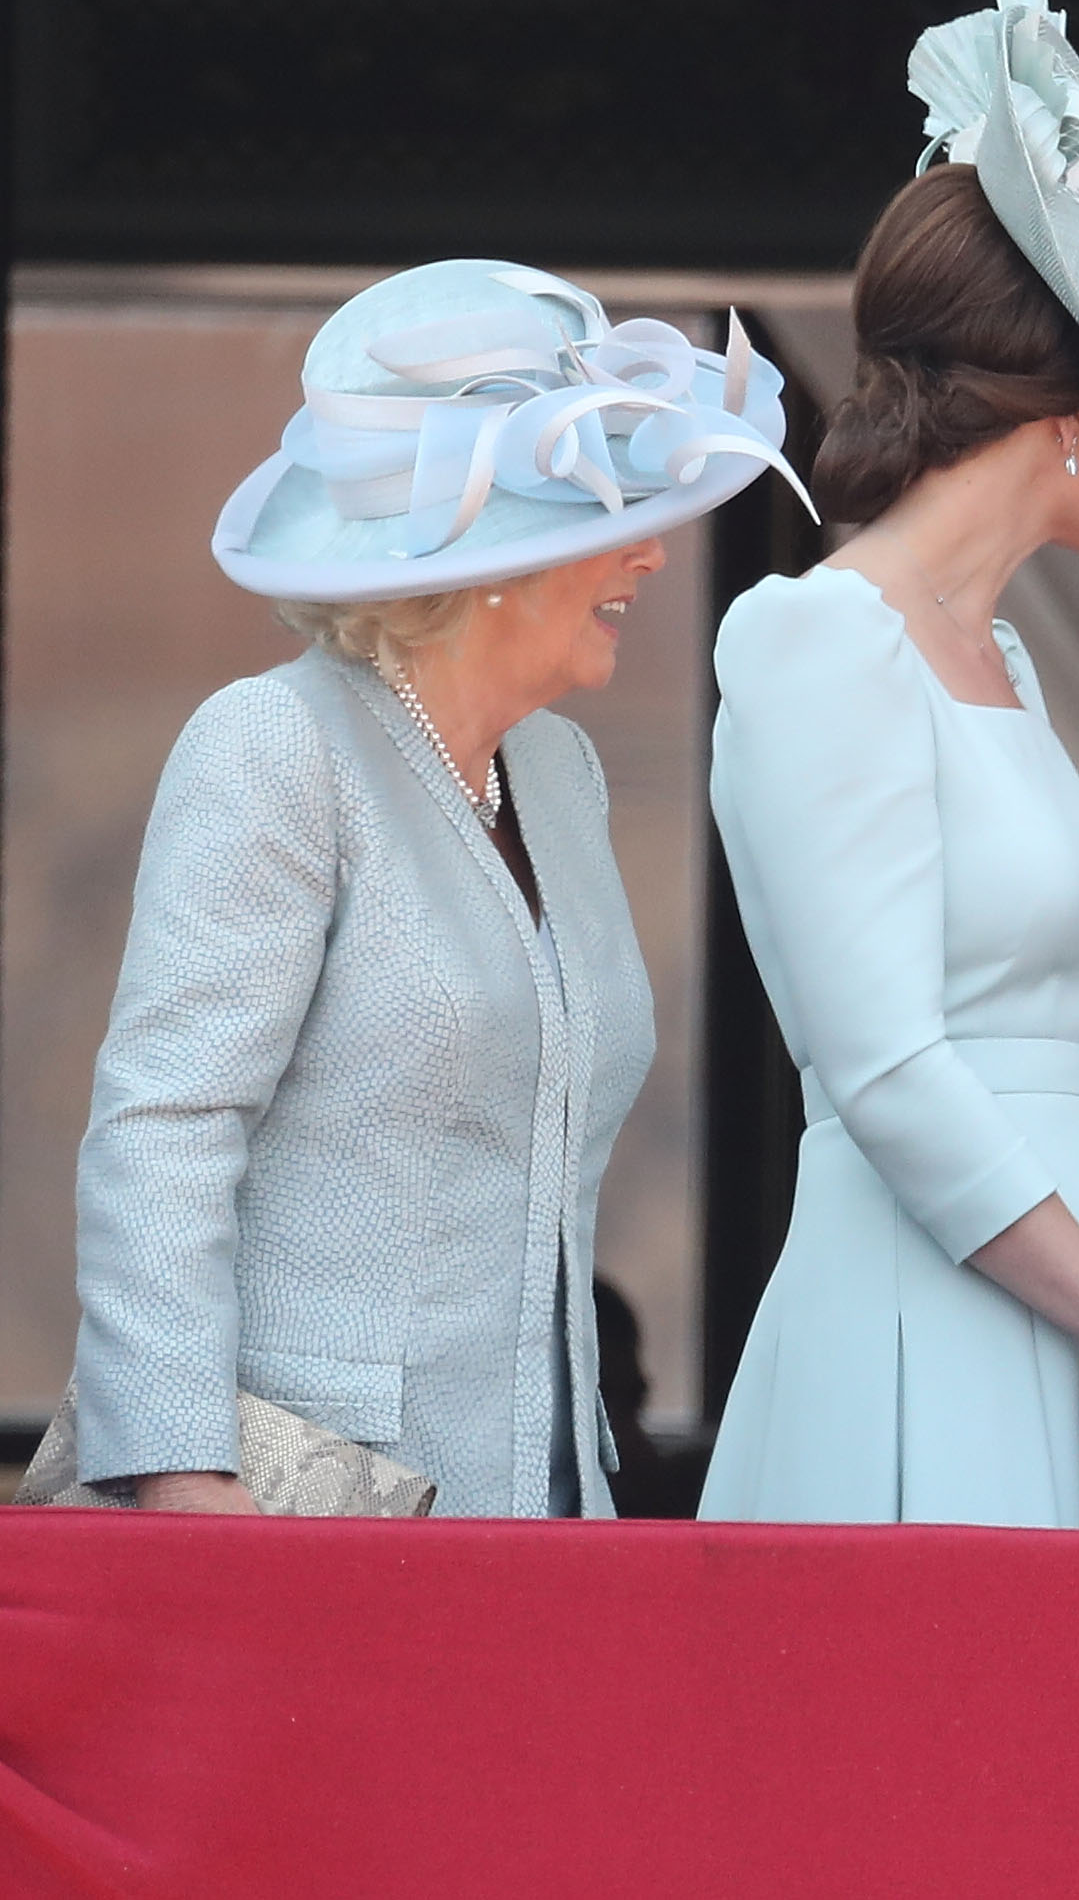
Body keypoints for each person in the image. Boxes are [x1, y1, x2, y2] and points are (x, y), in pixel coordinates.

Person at [65, 257, 802, 1518]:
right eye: (604, 525)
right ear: (485, 560)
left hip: (539, 1498)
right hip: (299, 1513)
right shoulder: (275, 746)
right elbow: (163, 1133)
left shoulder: (559, 775)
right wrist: (189, 1488)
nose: (652, 560)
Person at [702, 0, 1079, 1528]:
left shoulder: (999, 654)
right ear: (1070, 411)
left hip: (1073, 1303)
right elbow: (884, 1062)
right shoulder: (813, 637)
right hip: (919, 1305)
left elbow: (1071, 1055)